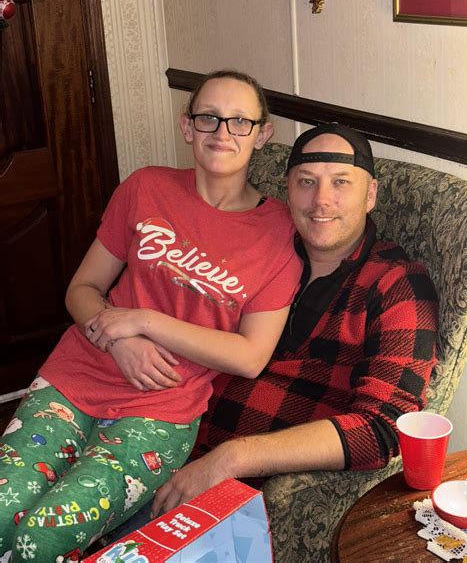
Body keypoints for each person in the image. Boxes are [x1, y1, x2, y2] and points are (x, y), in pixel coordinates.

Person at [0, 70, 302, 562]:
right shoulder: (146, 187)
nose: (222, 132)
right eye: (208, 118)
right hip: (77, 375)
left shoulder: (279, 234)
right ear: (187, 127)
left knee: (44, 536)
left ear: (262, 134)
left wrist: (143, 321)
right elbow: (81, 290)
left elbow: (250, 357)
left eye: (239, 121)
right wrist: (119, 340)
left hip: (162, 409)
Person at [151, 122, 438, 516]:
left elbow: (383, 430)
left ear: (370, 194)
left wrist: (231, 458)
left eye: (341, 182)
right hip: (159, 432)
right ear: (287, 190)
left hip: (239, 493)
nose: (321, 201)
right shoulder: (256, 252)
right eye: (306, 182)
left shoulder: (397, 284)